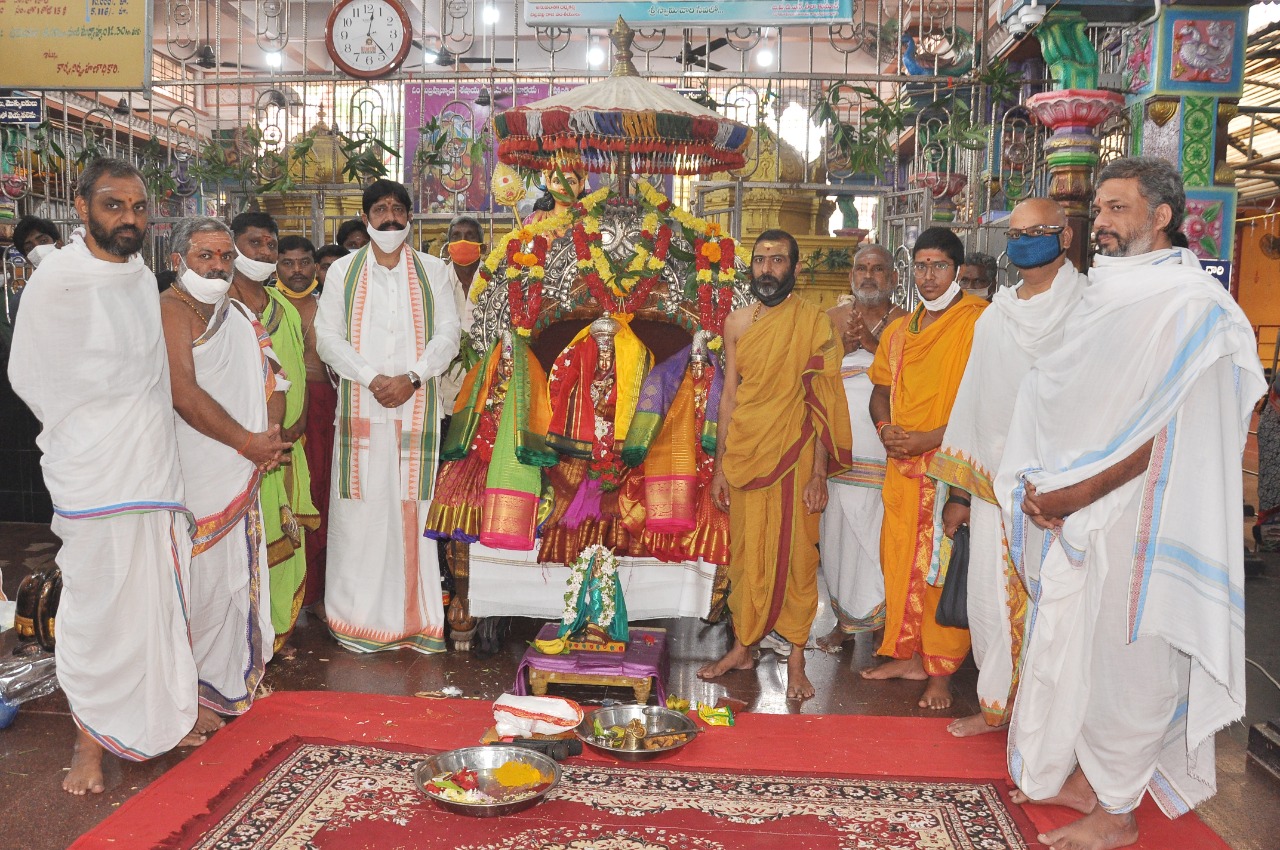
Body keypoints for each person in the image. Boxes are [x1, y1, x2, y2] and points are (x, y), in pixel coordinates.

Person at [995, 157, 1264, 850]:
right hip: (1083, 512)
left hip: (1148, 515)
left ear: (1162, 215)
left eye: (1118, 210)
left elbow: (1177, 433)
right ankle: (1094, 779)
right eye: (1101, 213)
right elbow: (1069, 396)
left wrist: (1077, 489)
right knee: (1087, 650)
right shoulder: (1105, 295)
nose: (1103, 226)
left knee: (1130, 658)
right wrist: (1043, 481)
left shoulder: (1193, 306)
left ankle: (1117, 813)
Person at [8, 158, 203, 795]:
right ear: (82, 204)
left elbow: (151, 375)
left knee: (156, 598)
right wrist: (92, 423)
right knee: (99, 606)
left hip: (151, 464)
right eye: (114, 205)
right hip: (92, 468)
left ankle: (165, 714)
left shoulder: (142, 275)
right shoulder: (58, 279)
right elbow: (30, 378)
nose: (129, 219)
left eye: (139, 208)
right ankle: (86, 742)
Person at [927, 198, 1087, 739]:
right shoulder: (996, 316)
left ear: (1064, 237)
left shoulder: (1090, 307)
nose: (1026, 241)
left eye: (1039, 231)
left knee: (1062, 606)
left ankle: (1049, 721)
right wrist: (961, 494)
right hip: (996, 489)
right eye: (1016, 233)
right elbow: (975, 404)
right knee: (992, 601)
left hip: (1068, 493)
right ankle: (998, 706)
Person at [697, 229, 853, 700]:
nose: (768, 268)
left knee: (800, 559)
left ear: (795, 268)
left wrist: (820, 472)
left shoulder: (813, 322)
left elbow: (823, 399)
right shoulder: (738, 323)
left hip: (797, 456)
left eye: (778, 260)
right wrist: (721, 467)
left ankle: (798, 658)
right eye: (761, 260)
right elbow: (728, 398)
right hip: (746, 452)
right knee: (745, 556)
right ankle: (744, 646)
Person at [315, 179, 461, 653]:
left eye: (398, 209)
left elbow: (449, 335)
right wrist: (372, 377)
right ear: (366, 218)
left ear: (410, 218)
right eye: (380, 210)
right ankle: (355, 619)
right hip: (363, 407)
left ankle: (415, 620)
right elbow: (327, 337)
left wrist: (413, 378)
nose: (390, 219)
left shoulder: (435, 271)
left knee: (412, 514)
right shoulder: (342, 272)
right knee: (360, 514)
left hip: (416, 406)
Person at [161, 216, 288, 722]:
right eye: (204, 256)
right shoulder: (170, 310)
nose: (217, 267)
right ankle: (185, 694)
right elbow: (183, 393)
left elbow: (274, 377)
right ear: (177, 261)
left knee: (235, 577)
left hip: (243, 463)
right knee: (200, 583)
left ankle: (225, 680)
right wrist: (248, 442)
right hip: (198, 475)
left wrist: (269, 436)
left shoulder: (237, 312)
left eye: (224, 257)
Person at [861, 226, 986, 710]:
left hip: (950, 470)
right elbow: (879, 390)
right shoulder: (898, 331)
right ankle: (910, 655)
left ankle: (941, 673)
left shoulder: (979, 322)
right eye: (921, 266)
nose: (928, 276)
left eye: (938, 266)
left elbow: (984, 405)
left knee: (942, 570)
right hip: (902, 469)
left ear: (957, 271)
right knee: (901, 565)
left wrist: (928, 440)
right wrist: (886, 428)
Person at [229, 215, 318, 655]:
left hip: (286, 448)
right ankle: (241, 642)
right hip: (240, 451)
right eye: (254, 243)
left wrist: (292, 426)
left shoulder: (279, 308)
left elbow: (293, 373)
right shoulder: (219, 306)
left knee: (286, 539)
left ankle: (273, 632)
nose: (264, 252)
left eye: (270, 243)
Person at [814, 246, 907, 654]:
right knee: (836, 540)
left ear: (894, 278)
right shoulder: (831, 321)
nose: (868, 276)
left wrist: (872, 347)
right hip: (837, 452)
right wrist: (839, 346)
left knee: (880, 541)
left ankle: (885, 624)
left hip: (887, 453)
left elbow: (915, 381)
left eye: (878, 269)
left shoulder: (909, 323)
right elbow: (812, 381)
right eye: (861, 268)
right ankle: (845, 622)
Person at [278, 236, 336, 621]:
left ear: (315, 266)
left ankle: (322, 590)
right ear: (277, 267)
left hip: (325, 409)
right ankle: (289, 591)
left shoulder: (331, 307)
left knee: (325, 494)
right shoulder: (266, 308)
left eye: (304, 262)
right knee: (287, 498)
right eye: (288, 263)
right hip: (281, 414)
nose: (297, 270)